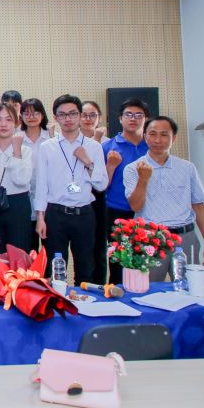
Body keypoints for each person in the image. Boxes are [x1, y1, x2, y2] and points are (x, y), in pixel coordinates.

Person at [124, 116, 204, 279]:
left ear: (173, 138)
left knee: (189, 286)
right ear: (145, 137)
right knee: (148, 288)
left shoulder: (187, 168)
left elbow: (199, 206)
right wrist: (143, 179)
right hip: (150, 238)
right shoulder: (133, 169)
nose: (157, 140)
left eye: (164, 134)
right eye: (152, 134)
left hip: (185, 237)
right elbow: (136, 206)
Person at [34, 95, 107, 284]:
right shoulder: (47, 147)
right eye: (62, 114)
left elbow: (101, 184)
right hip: (55, 214)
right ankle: (58, 301)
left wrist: (88, 162)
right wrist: (40, 217)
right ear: (55, 118)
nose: (68, 119)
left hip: (84, 214)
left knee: (86, 269)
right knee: (55, 271)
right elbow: (41, 185)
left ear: (80, 115)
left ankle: (83, 301)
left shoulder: (94, 147)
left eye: (73, 114)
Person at [102, 98, 150, 283]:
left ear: (146, 119)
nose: (133, 119)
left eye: (139, 115)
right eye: (128, 114)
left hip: (147, 212)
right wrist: (111, 166)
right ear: (120, 118)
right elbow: (101, 186)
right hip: (117, 212)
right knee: (119, 264)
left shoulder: (152, 146)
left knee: (146, 262)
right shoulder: (108, 147)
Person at [0, 105, 33, 254]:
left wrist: (17, 152)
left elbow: (21, 180)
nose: (3, 124)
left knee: (19, 258)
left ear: (16, 123)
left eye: (9, 120)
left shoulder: (25, 151)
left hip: (18, 205)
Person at [80, 100, 109, 282]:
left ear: (99, 118)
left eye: (93, 115)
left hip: (98, 197)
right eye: (84, 115)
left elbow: (104, 179)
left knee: (99, 246)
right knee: (83, 249)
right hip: (78, 197)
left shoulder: (107, 143)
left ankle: (99, 286)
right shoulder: (68, 141)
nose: (88, 119)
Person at [20, 97, 51, 249]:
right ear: (21, 116)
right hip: (24, 200)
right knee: (28, 250)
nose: (31, 117)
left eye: (35, 113)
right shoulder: (16, 138)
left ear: (42, 115)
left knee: (49, 249)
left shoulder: (52, 137)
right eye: (26, 113)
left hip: (49, 201)